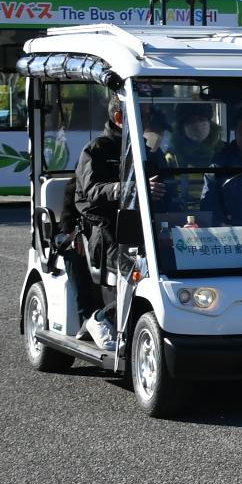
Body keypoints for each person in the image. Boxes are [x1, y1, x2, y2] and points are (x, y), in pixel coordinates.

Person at [72, 96, 168, 350]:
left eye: (147, 116)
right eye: (141, 116)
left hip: (143, 225)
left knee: (171, 263)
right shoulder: (96, 149)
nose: (147, 122)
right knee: (135, 269)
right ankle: (102, 317)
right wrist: (130, 189)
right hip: (103, 228)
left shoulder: (147, 152)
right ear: (118, 118)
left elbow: (168, 187)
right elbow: (92, 192)